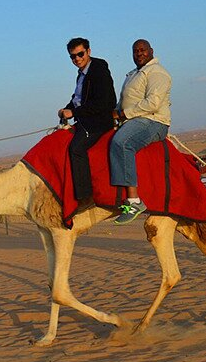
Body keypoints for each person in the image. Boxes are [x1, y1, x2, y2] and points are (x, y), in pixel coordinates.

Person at [110, 39, 172, 224]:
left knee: (122, 143)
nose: (139, 53)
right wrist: (113, 113)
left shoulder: (158, 73)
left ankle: (134, 200)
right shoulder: (133, 75)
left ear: (151, 51)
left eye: (142, 50)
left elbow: (152, 103)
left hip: (152, 120)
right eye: (135, 51)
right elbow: (125, 100)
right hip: (132, 119)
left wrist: (123, 114)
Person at [58, 37, 117, 211]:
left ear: (88, 51)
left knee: (76, 149)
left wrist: (73, 112)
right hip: (84, 119)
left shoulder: (98, 70)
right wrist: (66, 109)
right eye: (73, 56)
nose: (77, 59)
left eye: (80, 54)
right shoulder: (82, 74)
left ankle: (85, 196)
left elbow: (105, 102)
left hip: (97, 122)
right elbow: (78, 100)